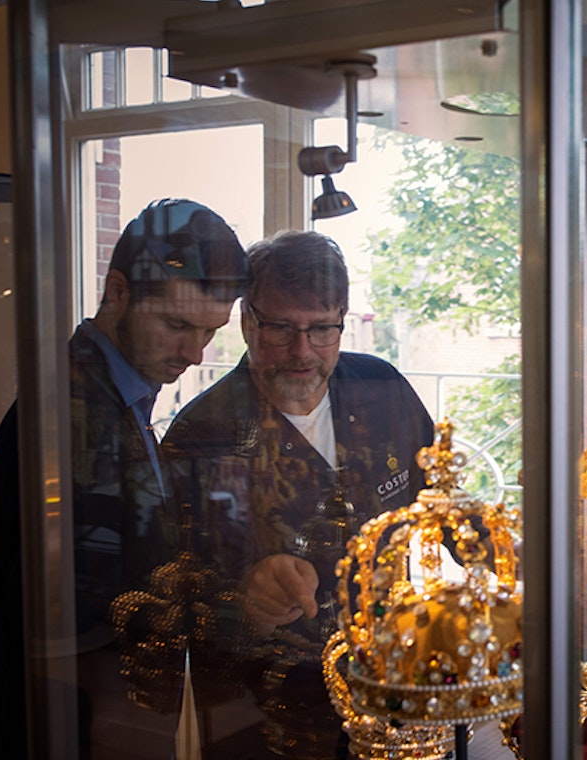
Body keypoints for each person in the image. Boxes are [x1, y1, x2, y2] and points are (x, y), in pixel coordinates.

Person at [0, 199, 250, 759]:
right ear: (117, 292)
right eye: (177, 325)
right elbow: (88, 627)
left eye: (210, 331)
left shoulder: (109, 396)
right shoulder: (72, 415)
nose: (194, 352)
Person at [161, 229, 434, 755]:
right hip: (268, 711)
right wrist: (243, 600)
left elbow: (438, 503)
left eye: (321, 329)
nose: (302, 351)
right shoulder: (201, 434)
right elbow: (165, 600)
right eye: (281, 328)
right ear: (247, 321)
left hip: (397, 687)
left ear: (342, 319)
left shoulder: (384, 390)